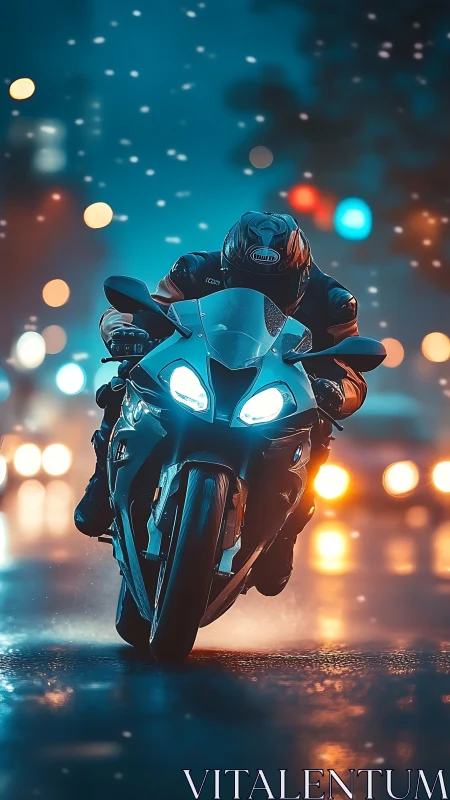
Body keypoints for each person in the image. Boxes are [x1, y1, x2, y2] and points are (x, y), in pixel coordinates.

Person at [74, 211, 366, 596]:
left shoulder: (333, 302)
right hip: (199, 373)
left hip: (274, 390)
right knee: (124, 381)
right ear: (229, 267)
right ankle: (102, 482)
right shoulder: (194, 270)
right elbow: (140, 310)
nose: (260, 293)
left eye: (273, 286)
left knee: (319, 431)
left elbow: (353, 371)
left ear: (297, 276)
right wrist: (124, 331)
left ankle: (283, 535)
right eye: (247, 281)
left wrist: (335, 390)